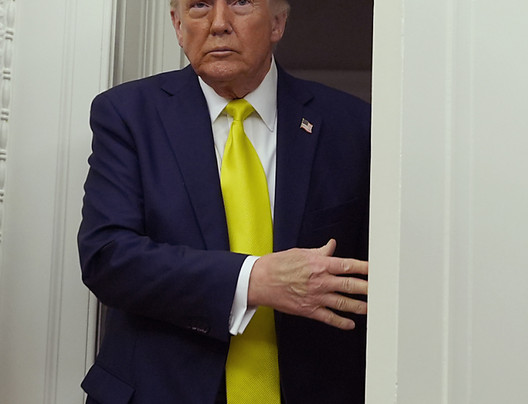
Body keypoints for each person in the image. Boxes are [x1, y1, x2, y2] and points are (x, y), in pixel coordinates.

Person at [77, 0, 371, 402]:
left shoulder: (353, 126)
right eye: (199, 5)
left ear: (278, 22)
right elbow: (108, 257)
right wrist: (253, 281)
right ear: (177, 25)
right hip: (158, 390)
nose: (218, 23)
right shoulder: (127, 114)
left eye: (240, 2)